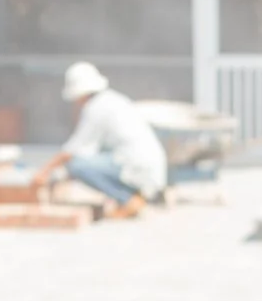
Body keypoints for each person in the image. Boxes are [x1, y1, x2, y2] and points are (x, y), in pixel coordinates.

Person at [35, 61, 167, 218]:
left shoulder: (96, 108)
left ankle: (127, 200)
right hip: (147, 166)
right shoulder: (112, 100)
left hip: (138, 167)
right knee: (85, 163)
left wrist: (42, 173)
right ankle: (134, 196)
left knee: (77, 166)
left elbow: (72, 151)